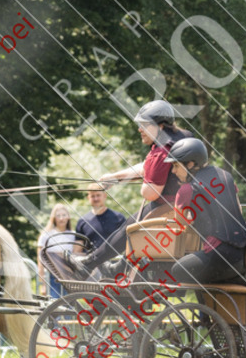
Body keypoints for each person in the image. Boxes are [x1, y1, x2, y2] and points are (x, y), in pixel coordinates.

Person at [67, 100, 192, 276]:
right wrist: (115, 177)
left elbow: (150, 193)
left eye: (144, 124)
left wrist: (145, 182)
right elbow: (147, 167)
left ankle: (90, 264)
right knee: (130, 226)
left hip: (170, 206)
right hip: (187, 202)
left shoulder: (162, 150)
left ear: (160, 126)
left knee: (130, 228)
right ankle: (115, 266)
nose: (140, 129)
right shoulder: (181, 137)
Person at [164, 138, 246, 287]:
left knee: (177, 270)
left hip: (220, 258)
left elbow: (182, 224)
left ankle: (209, 301)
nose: (173, 171)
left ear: (190, 164)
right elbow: (239, 209)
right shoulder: (226, 176)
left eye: (176, 165)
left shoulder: (187, 189)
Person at [36, 204, 82, 298]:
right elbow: (40, 261)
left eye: (64, 215)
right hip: (51, 277)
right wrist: (43, 285)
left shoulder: (73, 235)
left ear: (68, 217)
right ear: (53, 218)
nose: (61, 218)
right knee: (54, 306)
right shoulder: (46, 235)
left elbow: (75, 258)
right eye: (58, 215)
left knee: (69, 309)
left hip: (68, 278)